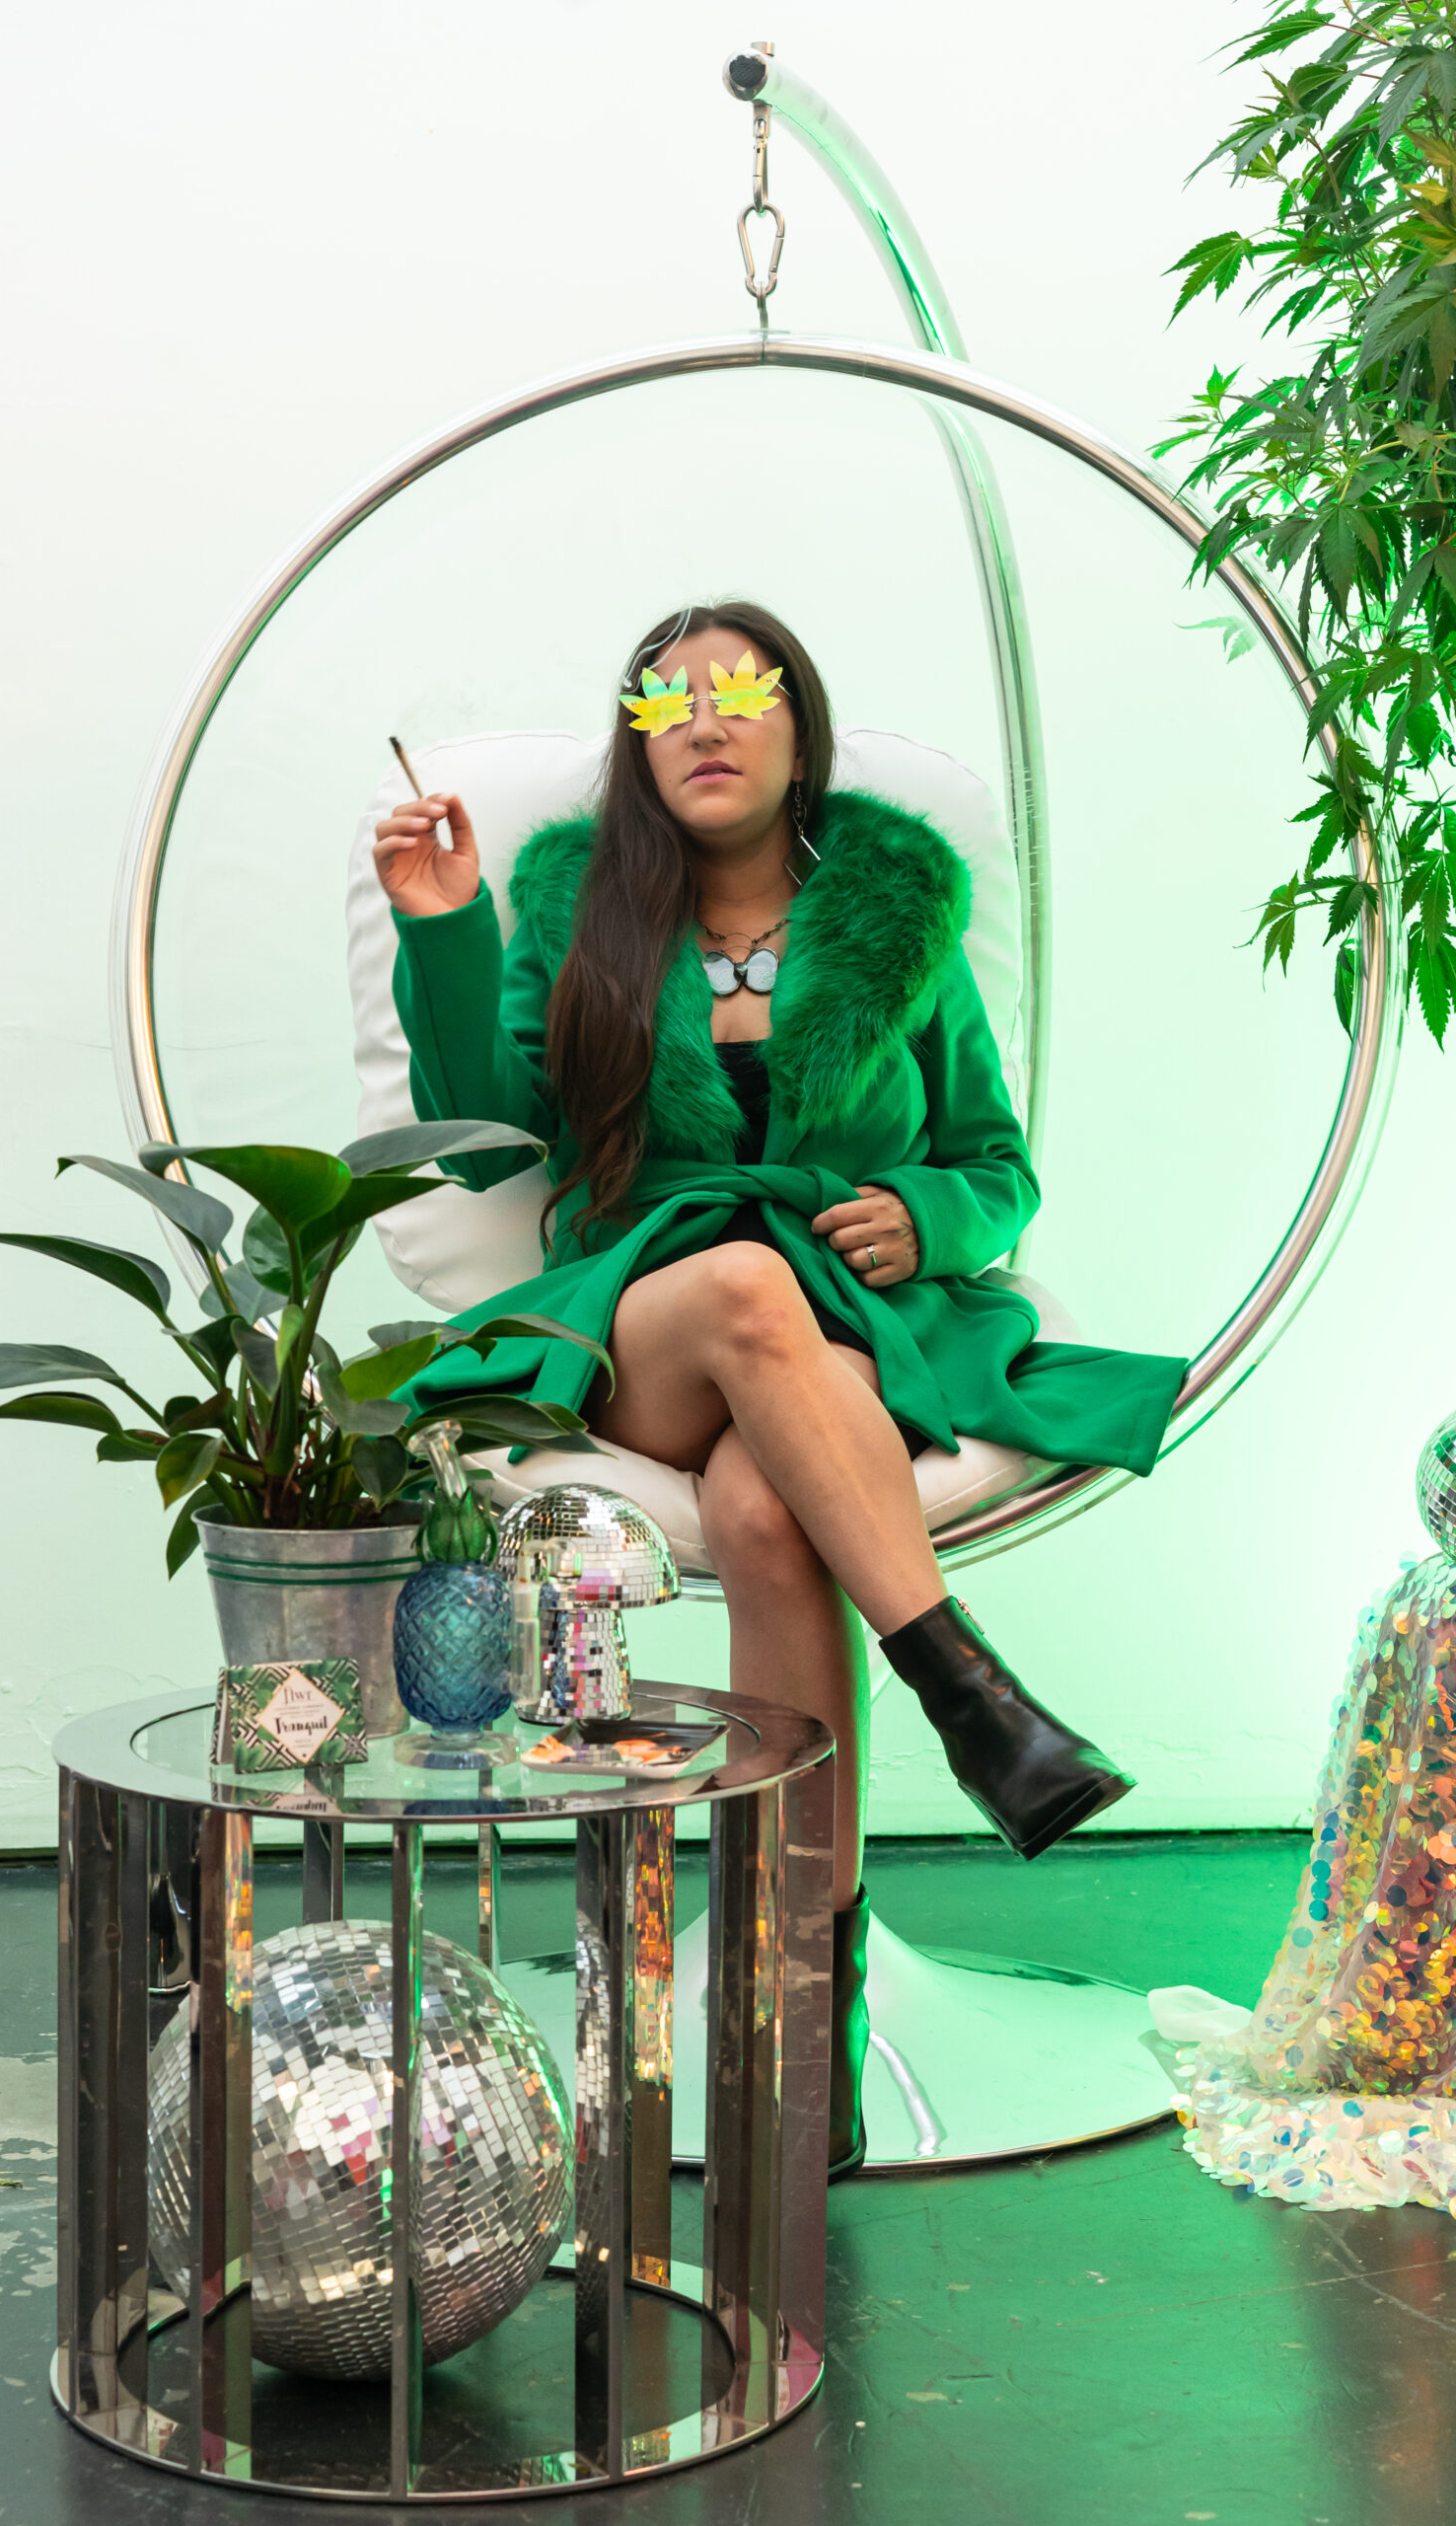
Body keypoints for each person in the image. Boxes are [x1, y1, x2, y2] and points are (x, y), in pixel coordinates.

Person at [374, 599, 1188, 2175]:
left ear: (798, 729)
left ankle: (800, 2026)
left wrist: (926, 1219)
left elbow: (996, 1166)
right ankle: (969, 1692)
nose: (703, 719)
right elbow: (478, 1125)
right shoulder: (577, 906)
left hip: (843, 1328)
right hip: (648, 1322)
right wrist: (444, 924)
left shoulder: (898, 916)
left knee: (765, 1510)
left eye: (741, 690)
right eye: (664, 701)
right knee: (745, 1283)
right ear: (635, 746)